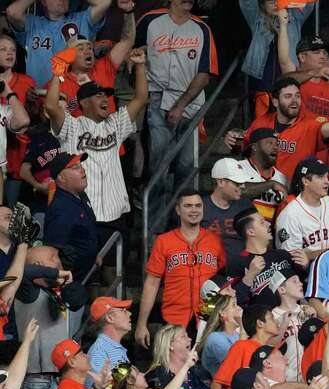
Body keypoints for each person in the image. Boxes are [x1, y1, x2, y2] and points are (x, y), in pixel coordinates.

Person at [45, 45, 148, 228]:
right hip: (84, 213)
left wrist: (140, 66)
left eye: (106, 96)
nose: (105, 100)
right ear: (83, 102)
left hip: (116, 211)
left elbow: (140, 98)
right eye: (98, 96)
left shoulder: (116, 123)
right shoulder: (72, 126)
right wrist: (57, 73)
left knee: (116, 255)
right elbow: (52, 107)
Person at [135, 0, 219, 215]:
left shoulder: (202, 28)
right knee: (158, 166)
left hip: (190, 104)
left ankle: (180, 223)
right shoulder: (150, 20)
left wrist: (181, 105)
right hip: (157, 97)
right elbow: (132, 49)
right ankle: (153, 228)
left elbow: (205, 74)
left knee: (186, 168)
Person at [136, 190, 226, 347]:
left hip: (209, 319)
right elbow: (152, 283)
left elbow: (223, 276)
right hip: (174, 318)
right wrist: (141, 324)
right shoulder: (164, 241)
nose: (194, 210)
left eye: (198, 206)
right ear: (178, 210)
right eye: (188, 206)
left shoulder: (215, 240)